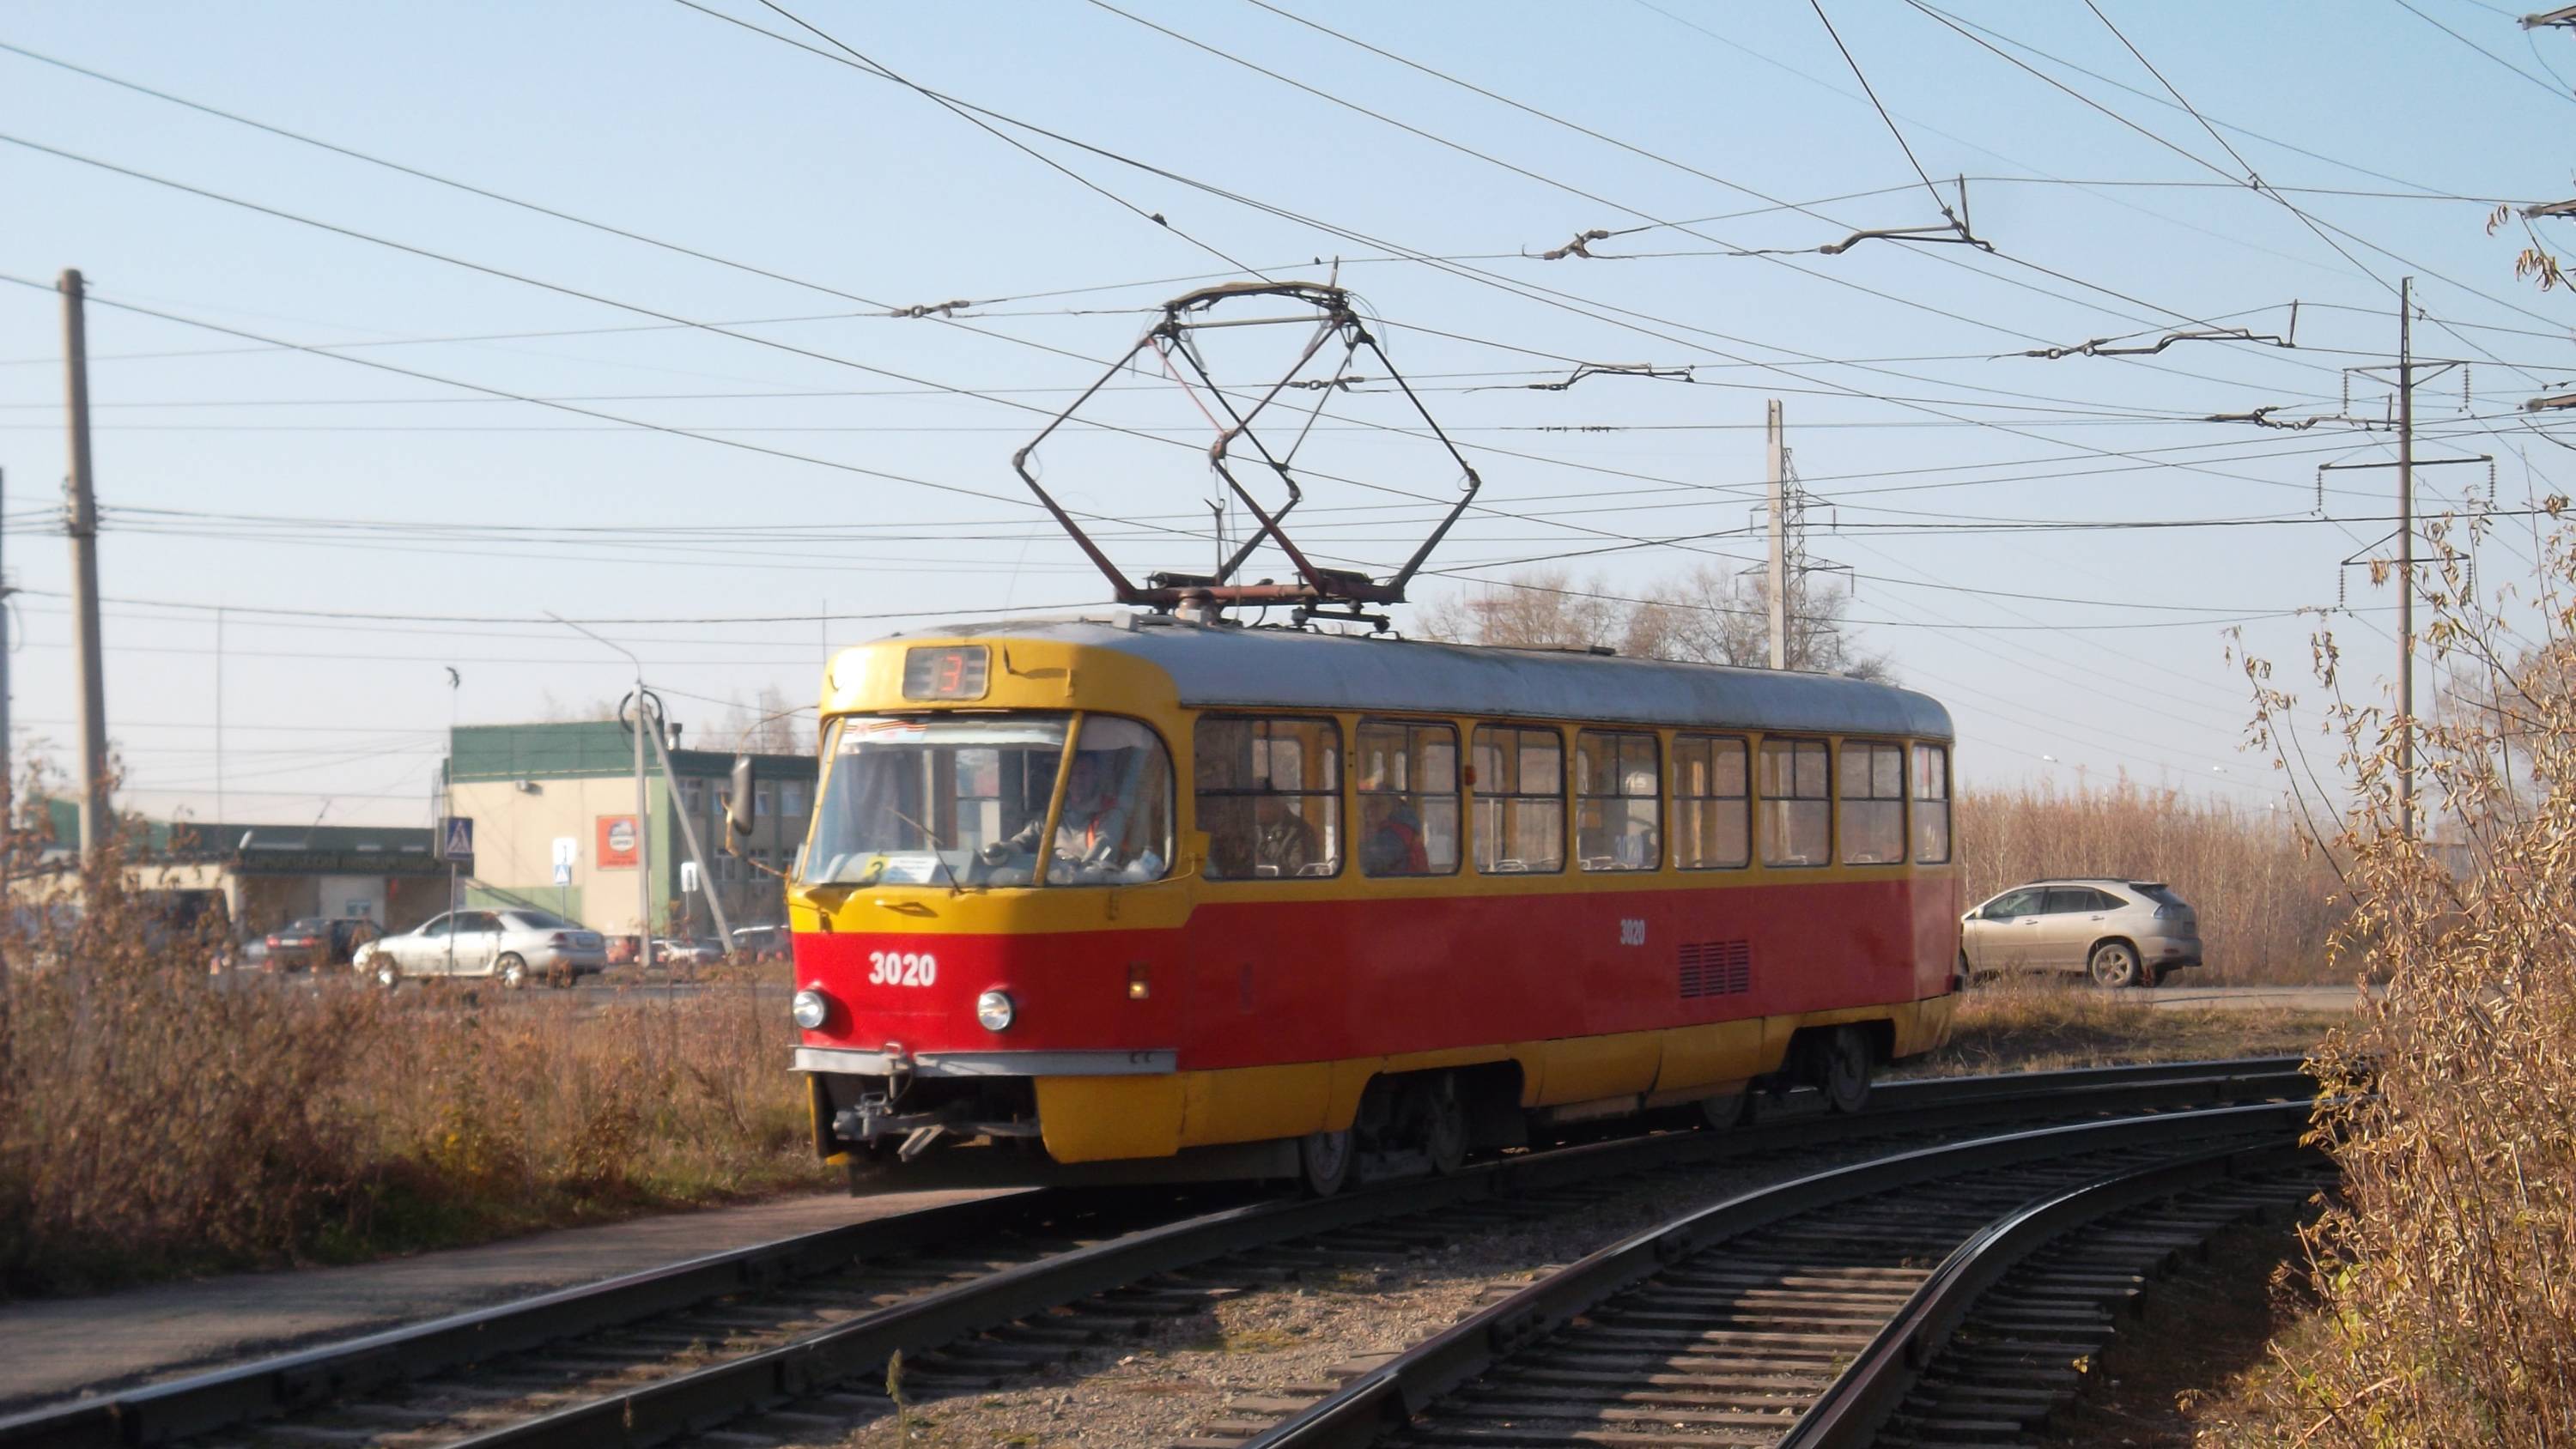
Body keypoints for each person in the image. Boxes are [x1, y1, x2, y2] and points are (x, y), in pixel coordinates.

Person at [988, 750, 1131, 872]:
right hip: (1053, 880)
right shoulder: (1055, 814)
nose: (1076, 780)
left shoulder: (1110, 813)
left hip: (1089, 884)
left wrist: (1080, 871)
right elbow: (1025, 839)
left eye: (1083, 774)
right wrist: (1003, 850)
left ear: (1095, 777)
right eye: (1071, 774)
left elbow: (1101, 852)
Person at [1361, 792, 1431, 876]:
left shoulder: (1396, 833)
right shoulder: (1395, 828)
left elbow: (1375, 860)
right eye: (1369, 805)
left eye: (1377, 805)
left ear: (1392, 807)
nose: (1371, 811)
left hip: (1406, 882)